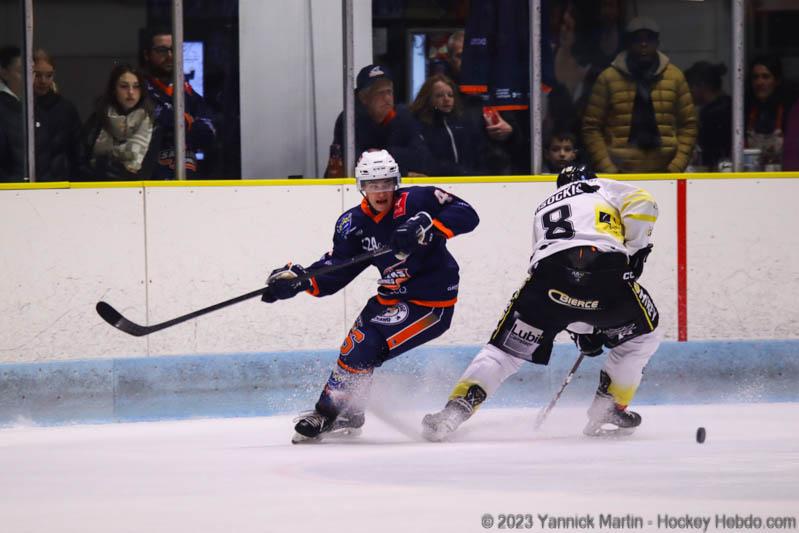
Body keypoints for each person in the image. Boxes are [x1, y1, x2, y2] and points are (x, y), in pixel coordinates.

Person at [422, 164, 660, 441]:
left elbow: (565, 285)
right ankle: (610, 406)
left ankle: (452, 414)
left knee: (504, 353)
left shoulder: (543, 207)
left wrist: (580, 329)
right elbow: (644, 202)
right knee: (644, 337)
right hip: (607, 275)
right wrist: (636, 250)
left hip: (548, 281)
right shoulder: (598, 187)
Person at [263, 149, 479, 443]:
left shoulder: (418, 200)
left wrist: (426, 223)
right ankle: (350, 413)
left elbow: (468, 213)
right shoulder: (352, 224)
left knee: (362, 345)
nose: (380, 191)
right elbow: (337, 269)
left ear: (396, 181)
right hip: (389, 298)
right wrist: (299, 280)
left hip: (430, 304)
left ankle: (327, 413)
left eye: (386, 183)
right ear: (361, 186)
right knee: (353, 350)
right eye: (372, 184)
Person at [581, 16, 696, 173]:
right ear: (628, 43)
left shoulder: (674, 77)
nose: (643, 44)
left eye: (649, 39)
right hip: (620, 169)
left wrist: (676, 166)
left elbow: (689, 125)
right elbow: (591, 127)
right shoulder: (608, 78)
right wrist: (608, 168)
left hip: (665, 169)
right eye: (637, 39)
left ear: (657, 43)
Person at [324, 64, 428, 177]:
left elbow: (422, 158)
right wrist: (403, 172)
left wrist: (383, 154)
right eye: (380, 93)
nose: (387, 98)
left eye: (389, 91)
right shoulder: (350, 120)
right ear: (364, 98)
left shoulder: (403, 116)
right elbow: (354, 165)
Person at [141, 28, 216, 179]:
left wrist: (173, 125)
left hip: (188, 183)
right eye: (161, 50)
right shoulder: (138, 91)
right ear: (147, 55)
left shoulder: (189, 93)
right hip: (149, 184)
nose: (169, 56)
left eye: (174, 49)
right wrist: (186, 123)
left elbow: (208, 134)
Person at [81, 64, 159, 180]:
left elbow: (149, 167)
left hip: (137, 188)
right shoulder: (98, 119)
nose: (131, 92)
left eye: (136, 86)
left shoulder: (152, 123)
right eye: (124, 86)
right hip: (99, 186)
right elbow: (83, 159)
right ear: (113, 90)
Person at [409, 74, 482, 176]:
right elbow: (428, 162)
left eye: (450, 95)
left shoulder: (463, 124)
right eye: (439, 96)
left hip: (468, 180)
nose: (446, 99)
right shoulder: (418, 125)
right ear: (428, 99)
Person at [31, 49, 82, 181]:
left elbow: (77, 151)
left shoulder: (66, 109)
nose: (43, 81)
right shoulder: (21, 108)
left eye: (49, 75)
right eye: (37, 75)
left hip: (60, 181)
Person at [745, 55, 796, 171]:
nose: (759, 82)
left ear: (777, 81)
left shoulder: (789, 111)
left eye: (765, 77)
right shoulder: (744, 111)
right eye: (755, 77)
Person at [684, 61, 732, 171]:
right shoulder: (730, 105)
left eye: (689, 87)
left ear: (702, 85)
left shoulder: (714, 114)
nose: (687, 93)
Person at [0, 45, 24, 181]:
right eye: (21, 71)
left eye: (31, 71)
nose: (28, 77)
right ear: (4, 73)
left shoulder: (33, 107)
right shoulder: (4, 108)